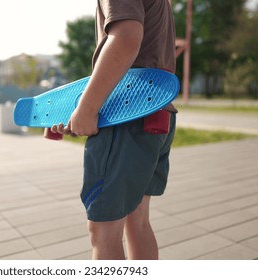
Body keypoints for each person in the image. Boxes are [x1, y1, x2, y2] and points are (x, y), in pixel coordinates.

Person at [52, 0, 177, 260]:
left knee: (103, 231)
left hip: (126, 115)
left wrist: (87, 109)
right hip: (157, 112)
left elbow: (126, 38)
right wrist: (75, 111)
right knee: (137, 220)